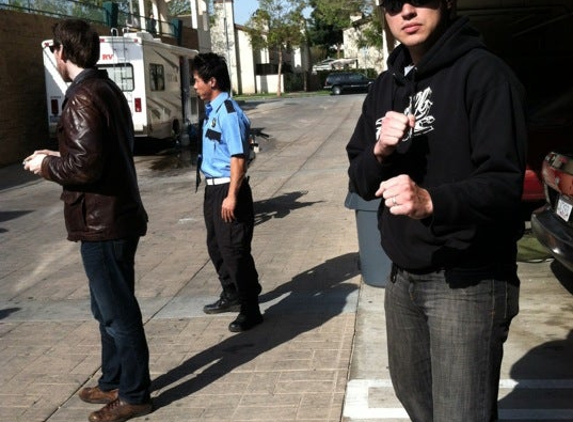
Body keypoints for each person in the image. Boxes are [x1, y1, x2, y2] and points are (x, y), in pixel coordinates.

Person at [346, 1, 527, 421]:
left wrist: (432, 202)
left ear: (446, 1)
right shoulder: (385, 86)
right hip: (402, 278)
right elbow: (359, 180)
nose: (406, 10)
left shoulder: (484, 75)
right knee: (420, 407)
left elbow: (505, 184)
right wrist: (380, 150)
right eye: (393, 3)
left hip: (467, 279)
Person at [24, 19, 152, 422]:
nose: (54, 59)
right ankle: (113, 378)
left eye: (53, 53)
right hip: (113, 217)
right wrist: (57, 153)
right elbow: (102, 150)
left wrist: (47, 165)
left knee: (117, 312)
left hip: (102, 222)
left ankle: (134, 394)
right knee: (106, 307)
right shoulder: (105, 88)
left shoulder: (81, 96)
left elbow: (84, 167)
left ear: (61, 52)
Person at [191, 52, 263, 332]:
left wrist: (232, 195)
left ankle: (250, 308)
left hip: (228, 188)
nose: (194, 86)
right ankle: (232, 293)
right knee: (216, 246)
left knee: (235, 250)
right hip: (213, 189)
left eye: (197, 81)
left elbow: (238, 158)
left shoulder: (229, 113)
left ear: (212, 81)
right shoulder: (213, 111)